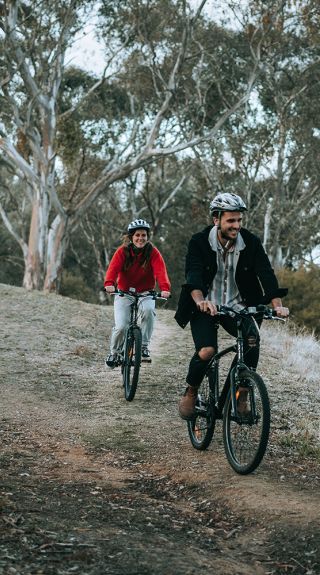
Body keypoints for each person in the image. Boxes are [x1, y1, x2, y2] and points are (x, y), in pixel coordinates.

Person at [174, 192, 289, 419]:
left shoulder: (250, 243)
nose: (236, 226)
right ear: (216, 219)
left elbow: (266, 274)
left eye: (239, 220)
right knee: (207, 351)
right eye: (230, 221)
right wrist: (201, 301)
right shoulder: (199, 242)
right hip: (205, 306)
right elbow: (194, 275)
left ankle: (240, 395)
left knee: (251, 343)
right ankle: (192, 390)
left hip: (238, 306)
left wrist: (277, 305)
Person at [104, 219, 171, 367]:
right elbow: (113, 269)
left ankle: (143, 347)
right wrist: (109, 284)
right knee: (121, 326)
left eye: (144, 235)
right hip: (124, 292)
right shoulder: (122, 251)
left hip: (145, 292)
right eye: (137, 235)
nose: (141, 238)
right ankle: (114, 353)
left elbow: (161, 270)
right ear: (131, 237)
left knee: (148, 311)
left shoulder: (152, 252)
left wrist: (165, 288)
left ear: (148, 237)